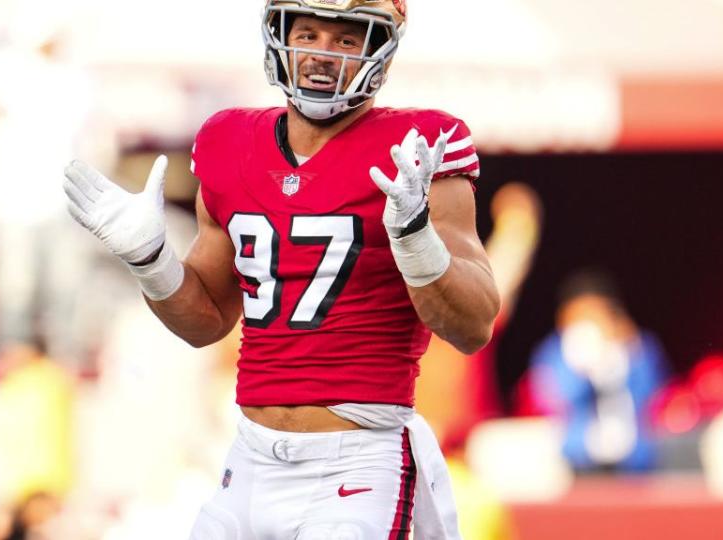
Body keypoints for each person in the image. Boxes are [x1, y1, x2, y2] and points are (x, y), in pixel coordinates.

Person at [63, 1, 499, 538]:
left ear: (379, 48)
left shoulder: (419, 145)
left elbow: (473, 325)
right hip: (248, 460)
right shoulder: (229, 140)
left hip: (359, 461)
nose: (321, 54)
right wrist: (150, 260)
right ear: (279, 33)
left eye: (344, 40)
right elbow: (205, 321)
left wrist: (415, 237)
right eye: (309, 33)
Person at [526, 270, 667, 473]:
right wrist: (579, 364)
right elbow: (552, 402)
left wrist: (625, 355)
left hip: (636, 460)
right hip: (576, 458)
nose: (587, 321)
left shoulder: (638, 346)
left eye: (594, 313)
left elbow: (654, 398)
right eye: (579, 314)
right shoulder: (553, 352)